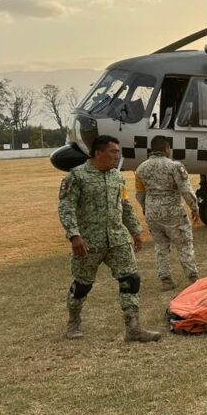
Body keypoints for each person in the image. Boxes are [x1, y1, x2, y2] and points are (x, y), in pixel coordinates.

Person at [58, 135, 160, 342]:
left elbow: (124, 205)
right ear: (98, 152)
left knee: (131, 279)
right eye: (113, 152)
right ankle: (74, 321)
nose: (117, 156)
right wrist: (74, 235)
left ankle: (133, 328)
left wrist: (135, 231)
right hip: (89, 242)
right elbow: (66, 208)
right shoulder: (77, 176)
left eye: (117, 152)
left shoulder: (116, 177)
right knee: (82, 285)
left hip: (117, 239)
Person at [135, 135, 201, 290]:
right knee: (184, 244)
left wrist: (146, 208)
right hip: (173, 212)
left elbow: (140, 193)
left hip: (152, 213)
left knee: (160, 247)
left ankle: (165, 280)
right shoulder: (174, 166)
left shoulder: (140, 169)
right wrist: (194, 208)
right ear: (166, 148)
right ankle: (193, 278)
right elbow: (185, 190)